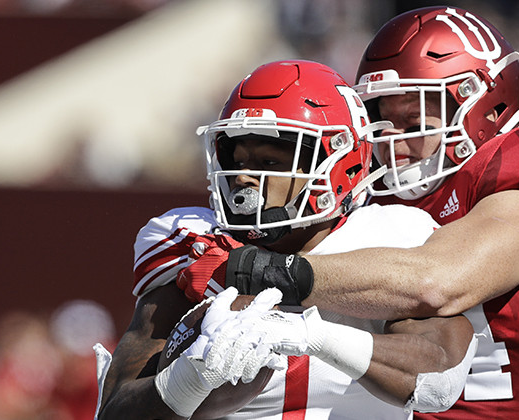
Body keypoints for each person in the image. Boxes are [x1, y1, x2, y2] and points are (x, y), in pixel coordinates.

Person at [213, 7, 519, 419]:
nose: (394, 138)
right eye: (381, 119)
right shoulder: (374, 192)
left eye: (414, 119)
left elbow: (436, 282)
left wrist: (263, 271)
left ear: (486, 107)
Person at [95, 59, 477, 419]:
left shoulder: (390, 234)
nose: (243, 177)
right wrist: (185, 384)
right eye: (237, 160)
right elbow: (114, 409)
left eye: (270, 162)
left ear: (340, 164)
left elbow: (438, 379)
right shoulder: (193, 241)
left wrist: (307, 334)